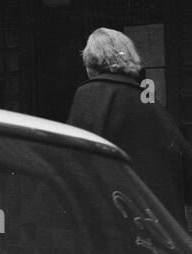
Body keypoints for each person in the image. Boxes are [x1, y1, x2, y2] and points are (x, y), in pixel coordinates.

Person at [68, 28, 192, 225]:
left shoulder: (90, 93)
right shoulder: (147, 99)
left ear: (92, 62)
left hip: (118, 220)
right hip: (161, 225)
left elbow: (75, 164)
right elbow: (184, 159)